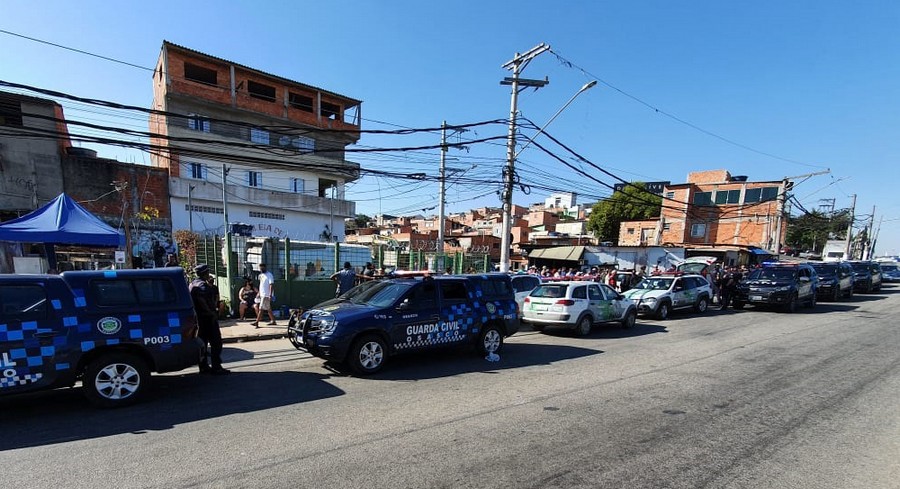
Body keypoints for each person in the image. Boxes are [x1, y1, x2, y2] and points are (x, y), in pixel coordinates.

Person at [189, 264, 229, 375]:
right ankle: (216, 366)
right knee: (216, 343)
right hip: (207, 318)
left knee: (203, 343)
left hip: (198, 319)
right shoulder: (203, 286)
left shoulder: (192, 284)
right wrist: (211, 313)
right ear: (205, 273)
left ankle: (203, 366)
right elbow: (202, 301)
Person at [252, 263, 276, 327]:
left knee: (261, 308)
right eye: (260, 268)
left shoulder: (269, 275)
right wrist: (259, 293)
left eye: (262, 268)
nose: (261, 269)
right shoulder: (261, 275)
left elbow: (271, 285)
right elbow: (261, 285)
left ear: (265, 267)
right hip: (262, 294)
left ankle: (257, 322)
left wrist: (270, 295)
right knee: (268, 309)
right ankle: (273, 321)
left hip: (266, 295)